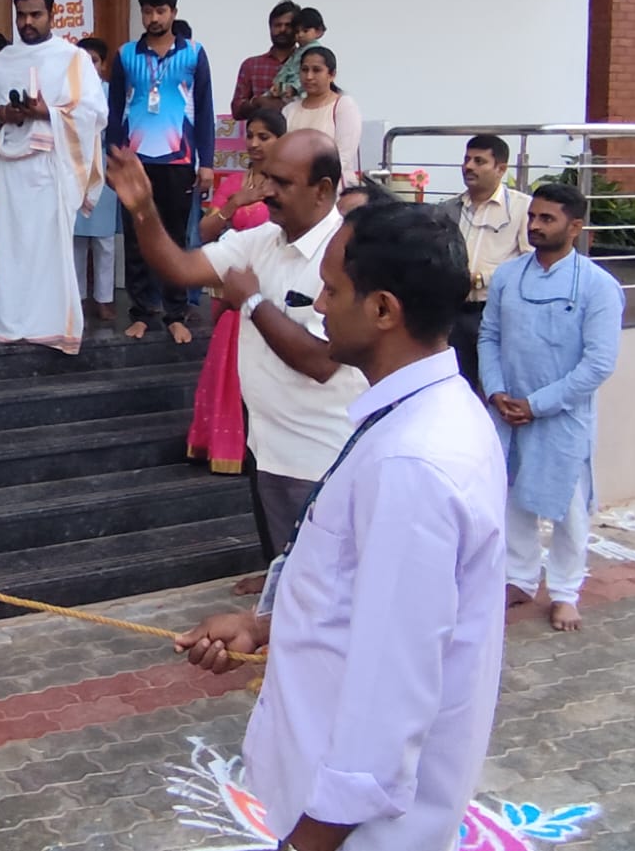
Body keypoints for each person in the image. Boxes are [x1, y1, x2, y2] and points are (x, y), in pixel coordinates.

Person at [176, 203, 507, 851]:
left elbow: (393, 694)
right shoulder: (424, 411)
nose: (317, 304)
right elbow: (376, 602)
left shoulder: (414, 460)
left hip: (359, 831)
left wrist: (308, 842)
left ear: (384, 309)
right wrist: (267, 626)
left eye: (332, 289)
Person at [106, 130, 366, 562]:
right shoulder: (259, 240)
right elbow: (180, 267)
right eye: (266, 179)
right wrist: (144, 210)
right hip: (267, 447)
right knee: (284, 576)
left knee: (322, 589)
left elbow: (321, 361)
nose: (267, 192)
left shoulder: (350, 252)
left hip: (324, 457)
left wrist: (251, 301)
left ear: (323, 190)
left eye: (282, 182)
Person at [480, 183, 624, 633]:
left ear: (575, 227)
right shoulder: (508, 275)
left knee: (569, 509)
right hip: (508, 411)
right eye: (534, 217)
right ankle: (519, 578)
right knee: (512, 500)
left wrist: (537, 405)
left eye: (548, 219)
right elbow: (489, 336)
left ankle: (565, 592)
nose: (536, 226)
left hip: (561, 416)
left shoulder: (599, 286)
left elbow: (599, 363)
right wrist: (497, 391)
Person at [0, 0, 108, 355]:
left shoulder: (73, 59)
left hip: (53, 169)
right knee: (11, 247)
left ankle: (50, 325)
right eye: (21, 15)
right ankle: (8, 325)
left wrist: (46, 112)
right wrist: (2, 113)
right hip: (14, 170)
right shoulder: (1, 62)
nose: (27, 22)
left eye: (35, 14)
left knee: (51, 250)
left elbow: (95, 113)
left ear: (52, 13)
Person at [107, 0, 215, 344]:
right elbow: (115, 109)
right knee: (136, 239)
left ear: (174, 12)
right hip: (134, 161)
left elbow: (204, 110)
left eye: (161, 11)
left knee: (174, 237)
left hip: (179, 159)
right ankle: (141, 312)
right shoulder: (125, 55)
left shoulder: (194, 54)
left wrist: (207, 162)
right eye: (147, 11)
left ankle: (175, 313)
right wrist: (113, 157)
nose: (153, 18)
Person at [187, 109, 284, 476]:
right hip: (231, 294)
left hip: (275, 291)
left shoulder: (290, 186)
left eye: (265, 137)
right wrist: (234, 205)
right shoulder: (233, 185)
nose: (255, 144)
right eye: (251, 136)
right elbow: (205, 232)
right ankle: (228, 446)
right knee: (228, 367)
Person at [437, 135, 532, 394]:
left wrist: (482, 278)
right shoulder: (450, 208)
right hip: (453, 311)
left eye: (480, 161)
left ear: (501, 169)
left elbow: (529, 264)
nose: (469, 167)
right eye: (467, 159)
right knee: (456, 386)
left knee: (495, 387)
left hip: (494, 311)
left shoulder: (522, 208)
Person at [72, 36, 118, 321]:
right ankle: (76, 298)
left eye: (95, 61)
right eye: (83, 61)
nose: (89, 66)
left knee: (105, 241)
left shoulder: (112, 94)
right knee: (76, 240)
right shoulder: (68, 95)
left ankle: (104, 299)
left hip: (104, 168)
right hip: (76, 169)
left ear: (103, 65)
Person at [284, 45, 361, 188]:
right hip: (296, 189)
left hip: (333, 188)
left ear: (332, 75)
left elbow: (343, 156)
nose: (309, 76)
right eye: (304, 70)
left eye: (316, 70)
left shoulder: (343, 105)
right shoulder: (289, 110)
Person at [230, 0, 298, 119]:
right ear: (270, 28)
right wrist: (257, 103)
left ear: (297, 28)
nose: (282, 29)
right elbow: (236, 110)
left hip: (300, 134)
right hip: (262, 134)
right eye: (277, 25)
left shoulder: (308, 64)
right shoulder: (251, 65)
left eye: (288, 25)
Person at [264, 5, 327, 106]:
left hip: (301, 94)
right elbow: (286, 69)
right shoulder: (298, 52)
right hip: (286, 90)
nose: (300, 35)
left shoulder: (316, 53)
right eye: (297, 32)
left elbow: (308, 75)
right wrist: (278, 84)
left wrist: (293, 88)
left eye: (305, 31)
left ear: (319, 32)